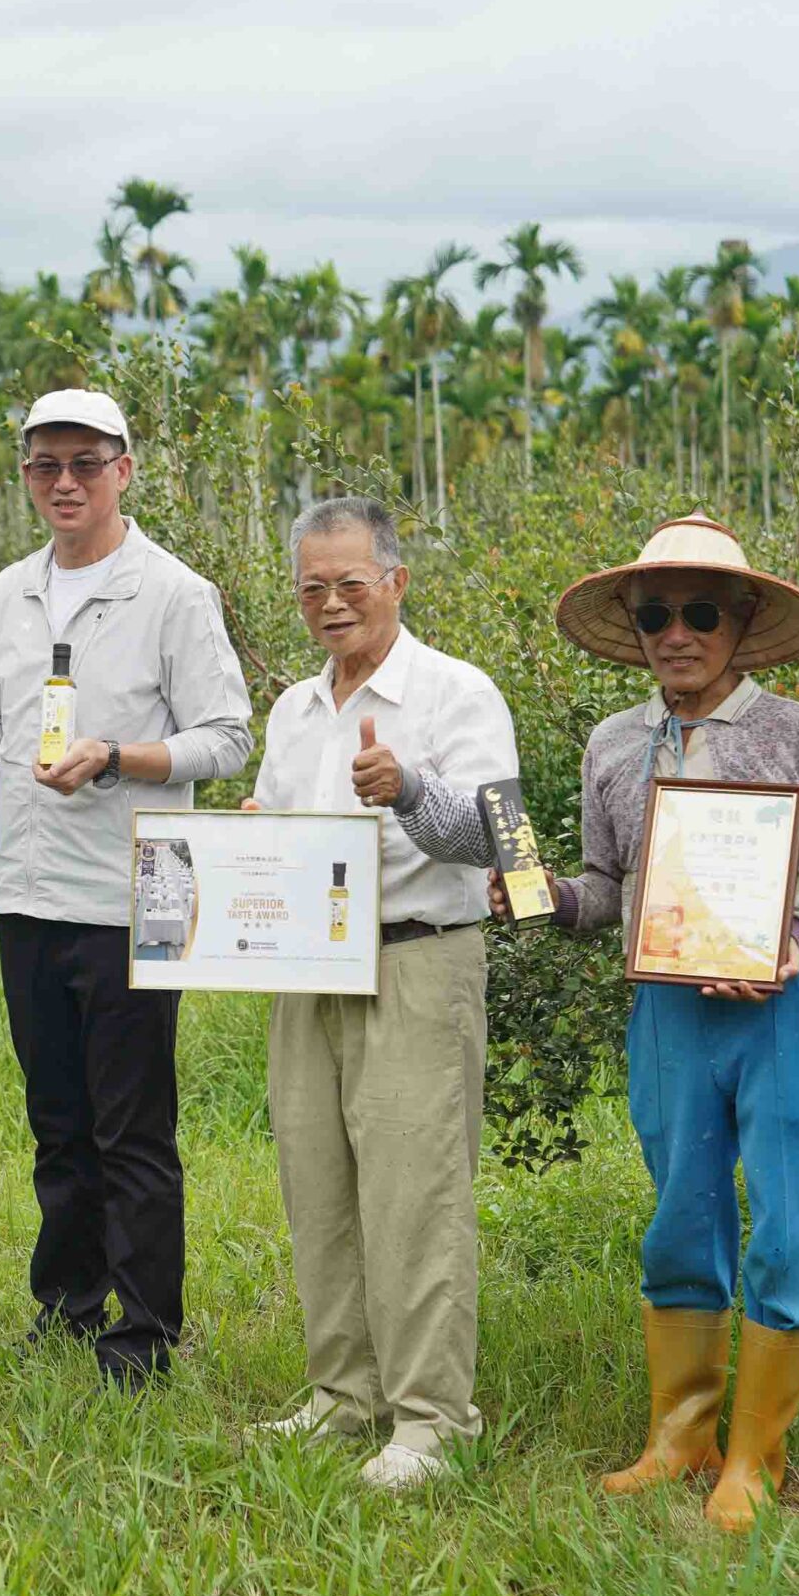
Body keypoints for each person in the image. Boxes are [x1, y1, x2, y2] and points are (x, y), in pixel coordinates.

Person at [517, 513, 799, 1531]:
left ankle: (755, 1457)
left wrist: (798, 936)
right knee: (681, 1214)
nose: (673, 634)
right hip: (667, 1016)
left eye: (696, 613)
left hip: (783, 1010)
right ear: (635, 628)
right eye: (654, 615)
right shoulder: (611, 743)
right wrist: (541, 896)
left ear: (737, 623)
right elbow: (609, 887)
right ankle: (678, 1436)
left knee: (787, 1225)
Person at [0, 388, 253, 1385]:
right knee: (56, 1122)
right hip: (27, 895)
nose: (64, 483)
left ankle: (144, 1334)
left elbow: (227, 738)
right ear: (24, 474)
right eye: (43, 465)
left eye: (84, 464)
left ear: (124, 470)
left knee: (131, 1129)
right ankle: (66, 1308)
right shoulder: (10, 591)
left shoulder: (172, 593)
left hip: (128, 895)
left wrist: (117, 757)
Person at [240, 498, 519, 1491]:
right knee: (318, 1184)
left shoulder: (454, 693)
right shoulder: (293, 708)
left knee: (414, 1191)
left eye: (350, 582)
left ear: (396, 582)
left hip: (416, 958)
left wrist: (407, 790)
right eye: (312, 586)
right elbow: (278, 833)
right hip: (302, 970)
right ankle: (341, 1395)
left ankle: (434, 1419)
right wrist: (244, 841)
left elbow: (501, 838)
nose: (331, 603)